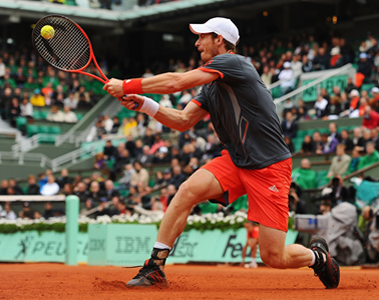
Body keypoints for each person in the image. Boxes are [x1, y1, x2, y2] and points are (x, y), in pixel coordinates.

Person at [104, 17, 339, 289]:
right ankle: (155, 267)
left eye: (202, 36)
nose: (196, 42)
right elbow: (183, 120)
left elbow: (176, 82)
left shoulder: (235, 63)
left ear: (219, 40)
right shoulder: (211, 86)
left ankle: (317, 257)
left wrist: (128, 85)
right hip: (237, 161)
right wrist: (144, 104)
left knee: (273, 256)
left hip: (269, 167)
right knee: (186, 191)